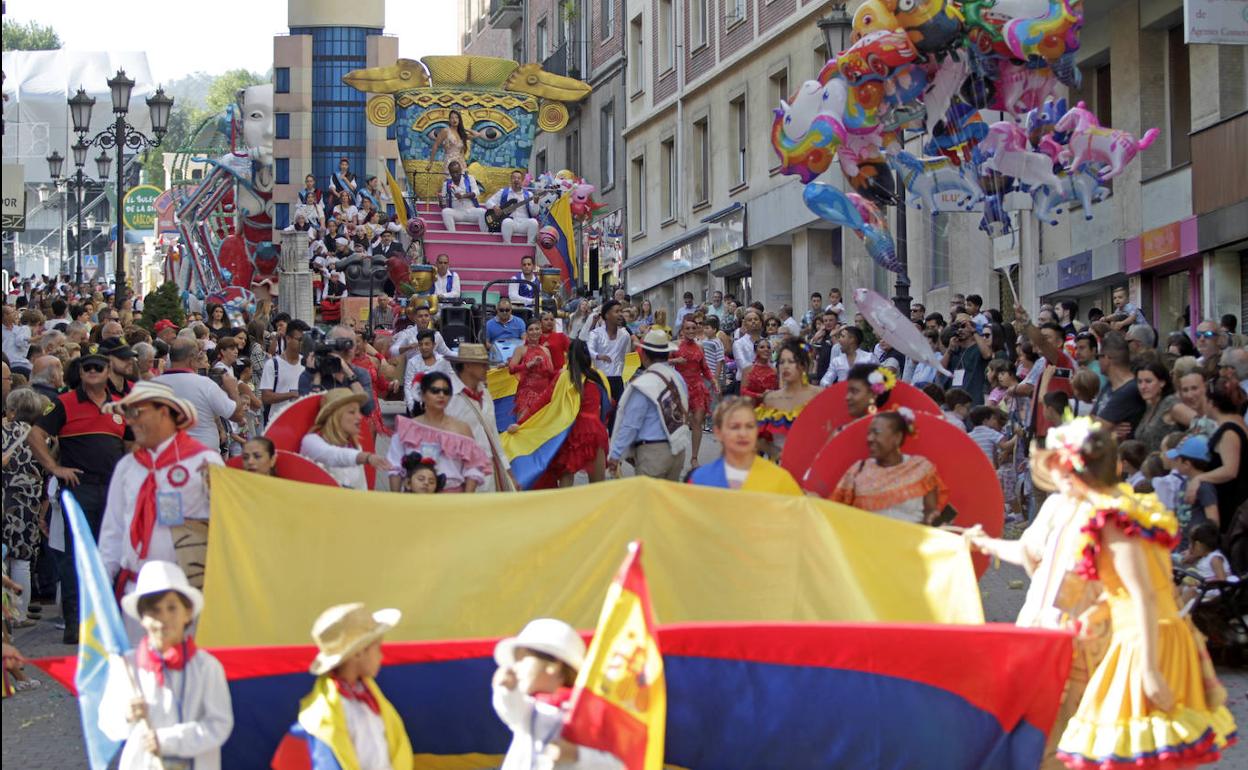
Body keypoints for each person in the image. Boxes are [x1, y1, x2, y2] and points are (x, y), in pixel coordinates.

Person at [1038, 420, 1237, 769]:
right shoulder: (1129, 506)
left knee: (1131, 746)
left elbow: (1143, 594)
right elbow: (1142, 583)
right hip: (1149, 633)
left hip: (1145, 640)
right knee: (1135, 748)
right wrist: (1096, 612)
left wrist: (1148, 669)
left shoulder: (1113, 518)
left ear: (1071, 473)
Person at [27, 346, 130, 643]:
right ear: (81, 373)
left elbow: (132, 446)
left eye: (98, 367)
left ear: (108, 372)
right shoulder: (64, 403)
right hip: (79, 488)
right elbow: (35, 435)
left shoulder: (120, 406)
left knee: (111, 554)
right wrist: (54, 468)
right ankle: (75, 623)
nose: (93, 372)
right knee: (77, 556)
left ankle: (108, 621)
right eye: (88, 368)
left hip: (112, 488)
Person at [99, 561, 233, 770]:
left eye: (172, 608)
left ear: (187, 613)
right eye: (154, 611)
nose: (163, 618)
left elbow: (219, 724)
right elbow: (108, 725)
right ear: (142, 618)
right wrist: (127, 715)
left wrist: (167, 740)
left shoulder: (207, 667)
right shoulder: (127, 667)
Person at [99, 381, 221, 603]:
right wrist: (99, 587)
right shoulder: (128, 466)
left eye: (136, 413)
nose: (130, 421)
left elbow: (225, 525)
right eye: (127, 414)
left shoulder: (204, 461)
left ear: (163, 412)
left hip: (188, 593)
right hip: (134, 591)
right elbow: (112, 530)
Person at [272, 603, 412, 770]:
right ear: (358, 653)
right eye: (377, 648)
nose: (381, 656)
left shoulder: (371, 697)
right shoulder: (327, 718)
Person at [491, 618, 625, 770]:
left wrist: (576, 754)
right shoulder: (529, 709)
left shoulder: (588, 714)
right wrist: (507, 690)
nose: (515, 668)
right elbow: (510, 707)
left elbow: (617, 765)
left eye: (522, 660)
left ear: (553, 665)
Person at [831, 410, 949, 525]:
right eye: (869, 433)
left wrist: (932, 518)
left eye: (876, 433)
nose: (869, 439)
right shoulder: (858, 469)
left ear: (897, 438)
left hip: (909, 537)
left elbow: (930, 511)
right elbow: (836, 509)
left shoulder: (921, 468)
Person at [607, 330, 691, 481]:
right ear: (667, 354)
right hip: (677, 448)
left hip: (653, 453)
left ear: (644, 355)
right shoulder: (677, 378)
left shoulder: (644, 383)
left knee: (649, 496)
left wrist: (616, 454)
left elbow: (631, 423)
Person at [387, 372, 490, 493]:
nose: (441, 395)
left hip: (451, 498)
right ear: (423, 394)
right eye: (435, 391)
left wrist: (466, 500)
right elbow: (395, 466)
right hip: (413, 498)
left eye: (446, 392)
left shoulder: (462, 429)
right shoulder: (407, 428)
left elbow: (473, 468)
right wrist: (396, 499)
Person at [689, 397, 803, 494]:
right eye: (735, 427)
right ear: (718, 432)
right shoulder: (700, 480)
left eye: (750, 426)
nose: (743, 434)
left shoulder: (780, 480)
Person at [3, 388, 48, 625]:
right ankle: (19, 615)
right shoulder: (42, 438)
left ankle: (5, 614)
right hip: (28, 504)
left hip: (3, 500)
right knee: (22, 561)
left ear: (12, 409)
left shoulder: (3, 432)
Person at [447, 344, 517, 492]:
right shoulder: (448, 398)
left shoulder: (485, 394)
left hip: (490, 473)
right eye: (482, 365)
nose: (487, 369)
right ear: (467, 366)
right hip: (461, 477)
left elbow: (493, 436)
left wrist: (508, 472)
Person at [1183, 378, 1248, 534]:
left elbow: (1230, 470)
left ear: (1211, 403)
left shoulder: (1229, 431)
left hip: (1232, 504)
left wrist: (1199, 478)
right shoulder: (1236, 424)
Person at [545, 340, 610, 488]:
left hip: (572, 430)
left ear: (568, 356)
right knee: (598, 485)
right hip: (595, 430)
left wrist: (521, 422)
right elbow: (607, 405)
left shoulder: (564, 377)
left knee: (566, 480)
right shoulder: (598, 376)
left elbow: (545, 399)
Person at [299, 388, 391, 490]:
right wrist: (367, 457)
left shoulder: (356, 446)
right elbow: (333, 455)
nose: (359, 417)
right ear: (335, 416)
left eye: (359, 411)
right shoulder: (311, 442)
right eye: (352, 412)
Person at [757, 339, 820, 458]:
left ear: (803, 365)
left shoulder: (819, 395)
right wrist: (776, 453)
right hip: (779, 465)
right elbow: (759, 439)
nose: (785, 366)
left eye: (791, 361)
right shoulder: (771, 399)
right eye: (782, 362)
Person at [670, 316, 718, 466]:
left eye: (693, 328)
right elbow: (662, 362)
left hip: (698, 388)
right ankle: (677, 456)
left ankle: (694, 457)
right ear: (682, 330)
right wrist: (675, 360)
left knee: (697, 422)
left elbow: (705, 368)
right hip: (681, 388)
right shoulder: (675, 346)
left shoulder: (700, 346)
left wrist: (714, 381)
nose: (691, 331)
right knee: (681, 423)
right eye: (687, 328)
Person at [297, 327, 376, 416]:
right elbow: (309, 413)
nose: (348, 349)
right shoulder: (308, 375)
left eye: (352, 344)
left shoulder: (361, 373)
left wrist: (349, 373)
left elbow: (368, 409)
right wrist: (316, 379)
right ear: (328, 346)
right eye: (343, 343)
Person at [1132, 361, 1197, 452]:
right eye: (1139, 382)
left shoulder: (1170, 403)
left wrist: (1184, 447)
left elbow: (1203, 424)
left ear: (1162, 382)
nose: (1143, 386)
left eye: (1148, 381)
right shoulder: (1150, 405)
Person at [1090, 332, 1145, 440]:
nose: (1098, 361)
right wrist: (1109, 430)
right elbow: (1091, 418)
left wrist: (1105, 430)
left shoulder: (1129, 390)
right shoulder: (1110, 385)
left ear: (1107, 358)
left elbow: (1094, 430)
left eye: (1099, 356)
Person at [259, 319, 310, 427]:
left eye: (304, 340)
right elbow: (266, 397)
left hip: (302, 423)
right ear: (288, 338)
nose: (302, 343)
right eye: (299, 339)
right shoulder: (272, 364)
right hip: (279, 424)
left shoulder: (307, 363)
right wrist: (291, 394)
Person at [509, 320, 556, 423]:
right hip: (527, 394)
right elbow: (511, 369)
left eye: (537, 329)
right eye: (531, 329)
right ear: (526, 333)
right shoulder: (521, 349)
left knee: (541, 427)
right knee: (523, 425)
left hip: (544, 394)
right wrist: (528, 364)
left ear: (541, 331)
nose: (534, 332)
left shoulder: (546, 350)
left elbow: (551, 373)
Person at [940, 314, 993, 405]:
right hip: (954, 402)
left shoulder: (978, 347)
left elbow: (988, 355)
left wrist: (974, 331)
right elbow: (940, 372)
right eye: (957, 326)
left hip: (972, 400)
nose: (960, 329)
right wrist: (949, 350)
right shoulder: (954, 349)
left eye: (963, 326)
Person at [587, 300, 630, 402]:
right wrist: (598, 356)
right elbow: (589, 349)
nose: (620, 314)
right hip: (600, 380)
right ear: (607, 315)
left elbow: (625, 355)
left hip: (618, 380)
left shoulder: (625, 335)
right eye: (617, 311)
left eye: (621, 311)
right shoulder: (595, 334)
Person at [487, 171, 539, 245]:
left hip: (524, 223)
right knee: (507, 221)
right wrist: (495, 207)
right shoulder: (503, 192)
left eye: (519, 178)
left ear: (522, 181)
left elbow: (534, 213)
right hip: (511, 223)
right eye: (514, 178)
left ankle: (530, 246)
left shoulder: (529, 194)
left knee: (534, 222)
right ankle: (507, 245)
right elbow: (488, 202)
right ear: (511, 180)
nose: (516, 180)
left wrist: (536, 203)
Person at [439, 159, 487, 233]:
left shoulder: (470, 178)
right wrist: (440, 200)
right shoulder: (446, 184)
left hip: (470, 210)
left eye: (457, 172)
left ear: (461, 170)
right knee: (445, 212)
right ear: (450, 173)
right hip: (457, 212)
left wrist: (462, 196)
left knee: (482, 212)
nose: (455, 175)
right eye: (452, 173)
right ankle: (452, 235)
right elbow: (443, 205)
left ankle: (484, 235)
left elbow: (476, 192)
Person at [740, 337, 778, 404]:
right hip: (752, 404)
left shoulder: (775, 370)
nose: (766, 349)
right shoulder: (748, 369)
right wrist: (759, 395)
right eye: (762, 347)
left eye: (768, 347)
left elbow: (779, 389)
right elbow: (743, 391)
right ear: (756, 351)